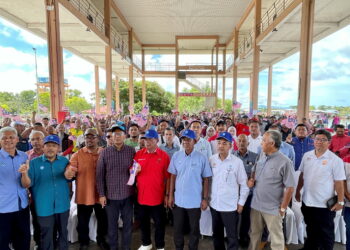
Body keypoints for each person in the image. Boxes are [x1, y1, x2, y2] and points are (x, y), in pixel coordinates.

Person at [295, 129, 345, 249]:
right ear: (313, 141)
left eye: (323, 140)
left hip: (324, 205)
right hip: (307, 201)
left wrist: (341, 201)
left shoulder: (335, 160)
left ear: (329, 142)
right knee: (311, 229)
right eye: (317, 139)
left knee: (326, 233)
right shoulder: (307, 156)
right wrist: (297, 191)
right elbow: (302, 175)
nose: (319, 142)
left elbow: (339, 182)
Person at [20, 134, 71, 250]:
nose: (50, 148)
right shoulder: (33, 163)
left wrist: (70, 173)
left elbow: (70, 177)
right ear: (43, 147)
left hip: (62, 205)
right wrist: (24, 174)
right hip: (44, 206)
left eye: (54, 146)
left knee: (63, 232)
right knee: (46, 235)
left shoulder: (64, 161)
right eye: (48, 145)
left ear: (58, 148)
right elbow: (26, 184)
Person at [248, 130, 295, 250]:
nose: (261, 143)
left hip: (273, 208)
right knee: (254, 234)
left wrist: (283, 208)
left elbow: (290, 187)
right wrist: (252, 179)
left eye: (263, 140)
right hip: (256, 205)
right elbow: (254, 170)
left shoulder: (285, 162)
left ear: (272, 143)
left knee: (276, 238)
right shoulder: (262, 155)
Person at [168, 129, 212, 250]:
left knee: (194, 230)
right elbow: (172, 176)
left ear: (194, 141)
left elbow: (206, 179)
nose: (185, 142)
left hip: (195, 201)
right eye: (183, 139)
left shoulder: (201, 158)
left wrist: (205, 198)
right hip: (179, 200)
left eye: (188, 139)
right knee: (178, 229)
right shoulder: (176, 156)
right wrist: (170, 195)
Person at [66, 128, 108, 249]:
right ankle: (83, 242)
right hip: (84, 194)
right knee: (83, 221)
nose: (89, 139)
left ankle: (101, 240)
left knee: (103, 220)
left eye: (92, 137)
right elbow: (71, 169)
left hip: (101, 194)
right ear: (84, 139)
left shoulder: (104, 152)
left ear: (98, 139)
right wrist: (70, 172)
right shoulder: (77, 154)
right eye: (87, 137)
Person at [96, 124, 135, 250]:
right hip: (111, 196)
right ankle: (113, 248)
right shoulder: (105, 152)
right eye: (114, 134)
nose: (117, 136)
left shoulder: (131, 151)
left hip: (128, 195)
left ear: (125, 136)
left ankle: (126, 247)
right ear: (111, 137)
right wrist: (101, 194)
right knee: (112, 227)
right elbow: (100, 175)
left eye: (120, 134)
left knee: (127, 225)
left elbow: (135, 172)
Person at [209, 132, 249, 250]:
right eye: (219, 143)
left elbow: (244, 185)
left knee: (232, 237)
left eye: (224, 143)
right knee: (217, 235)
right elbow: (208, 181)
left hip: (230, 207)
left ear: (230, 146)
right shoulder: (212, 159)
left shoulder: (237, 162)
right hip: (215, 205)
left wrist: (241, 203)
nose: (221, 146)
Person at [134, 129, 170, 250]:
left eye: (151, 139)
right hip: (142, 197)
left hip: (158, 197)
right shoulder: (139, 154)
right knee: (144, 223)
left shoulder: (164, 156)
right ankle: (146, 243)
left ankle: (160, 245)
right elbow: (131, 173)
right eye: (145, 139)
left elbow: (168, 178)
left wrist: (167, 195)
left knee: (159, 224)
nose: (147, 142)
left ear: (157, 141)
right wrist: (133, 171)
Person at [0, 127, 31, 250]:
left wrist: (24, 173)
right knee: (2, 243)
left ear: (17, 139)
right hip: (3, 209)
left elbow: (26, 184)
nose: (8, 140)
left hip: (22, 206)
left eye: (11, 137)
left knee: (23, 242)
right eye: (4, 138)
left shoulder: (24, 157)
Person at [233, 134, 258, 247]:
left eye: (244, 141)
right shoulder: (231, 155)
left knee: (246, 218)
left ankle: (243, 237)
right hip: (233, 193)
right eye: (239, 141)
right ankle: (232, 237)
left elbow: (257, 173)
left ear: (248, 143)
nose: (242, 143)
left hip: (248, 193)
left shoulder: (255, 157)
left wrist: (252, 179)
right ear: (236, 143)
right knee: (233, 217)